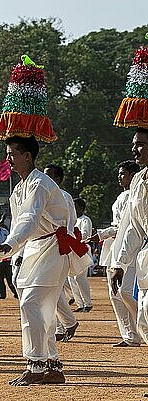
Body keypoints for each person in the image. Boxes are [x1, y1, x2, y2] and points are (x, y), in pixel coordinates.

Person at [0, 136, 80, 385]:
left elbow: (30, 219)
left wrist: (10, 244)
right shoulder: (20, 188)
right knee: (43, 309)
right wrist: (11, 248)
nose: (8, 159)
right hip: (33, 248)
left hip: (52, 247)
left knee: (31, 304)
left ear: (27, 156)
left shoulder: (40, 183)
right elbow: (22, 223)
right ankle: (51, 365)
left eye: (12, 154)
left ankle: (37, 364)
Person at [88, 160, 141, 347]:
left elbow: (124, 227)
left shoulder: (133, 195)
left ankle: (142, 328)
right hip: (115, 248)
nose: (120, 177)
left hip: (131, 249)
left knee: (126, 292)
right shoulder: (122, 196)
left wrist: (101, 234)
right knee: (115, 294)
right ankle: (130, 335)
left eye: (123, 173)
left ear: (133, 175)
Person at [113, 128, 148, 345]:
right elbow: (134, 228)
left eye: (141, 144)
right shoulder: (138, 181)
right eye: (134, 144)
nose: (135, 149)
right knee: (144, 317)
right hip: (145, 257)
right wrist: (120, 264)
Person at [43, 164, 80, 342]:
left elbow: (70, 224)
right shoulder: (42, 193)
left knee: (52, 288)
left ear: (58, 179)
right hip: (42, 247)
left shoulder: (64, 196)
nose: (45, 178)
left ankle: (66, 323)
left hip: (59, 246)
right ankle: (65, 324)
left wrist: (67, 247)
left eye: (49, 176)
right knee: (50, 289)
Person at [71, 197, 93, 312]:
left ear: (80, 208)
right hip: (72, 251)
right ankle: (79, 304)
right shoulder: (71, 219)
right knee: (71, 278)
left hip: (82, 249)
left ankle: (87, 303)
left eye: (75, 206)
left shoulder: (85, 220)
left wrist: (72, 237)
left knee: (80, 277)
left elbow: (85, 235)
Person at [0, 214, 17, 299]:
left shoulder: (5, 230)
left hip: (7, 258)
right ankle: (1, 293)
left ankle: (15, 292)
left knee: (10, 277)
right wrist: (2, 219)